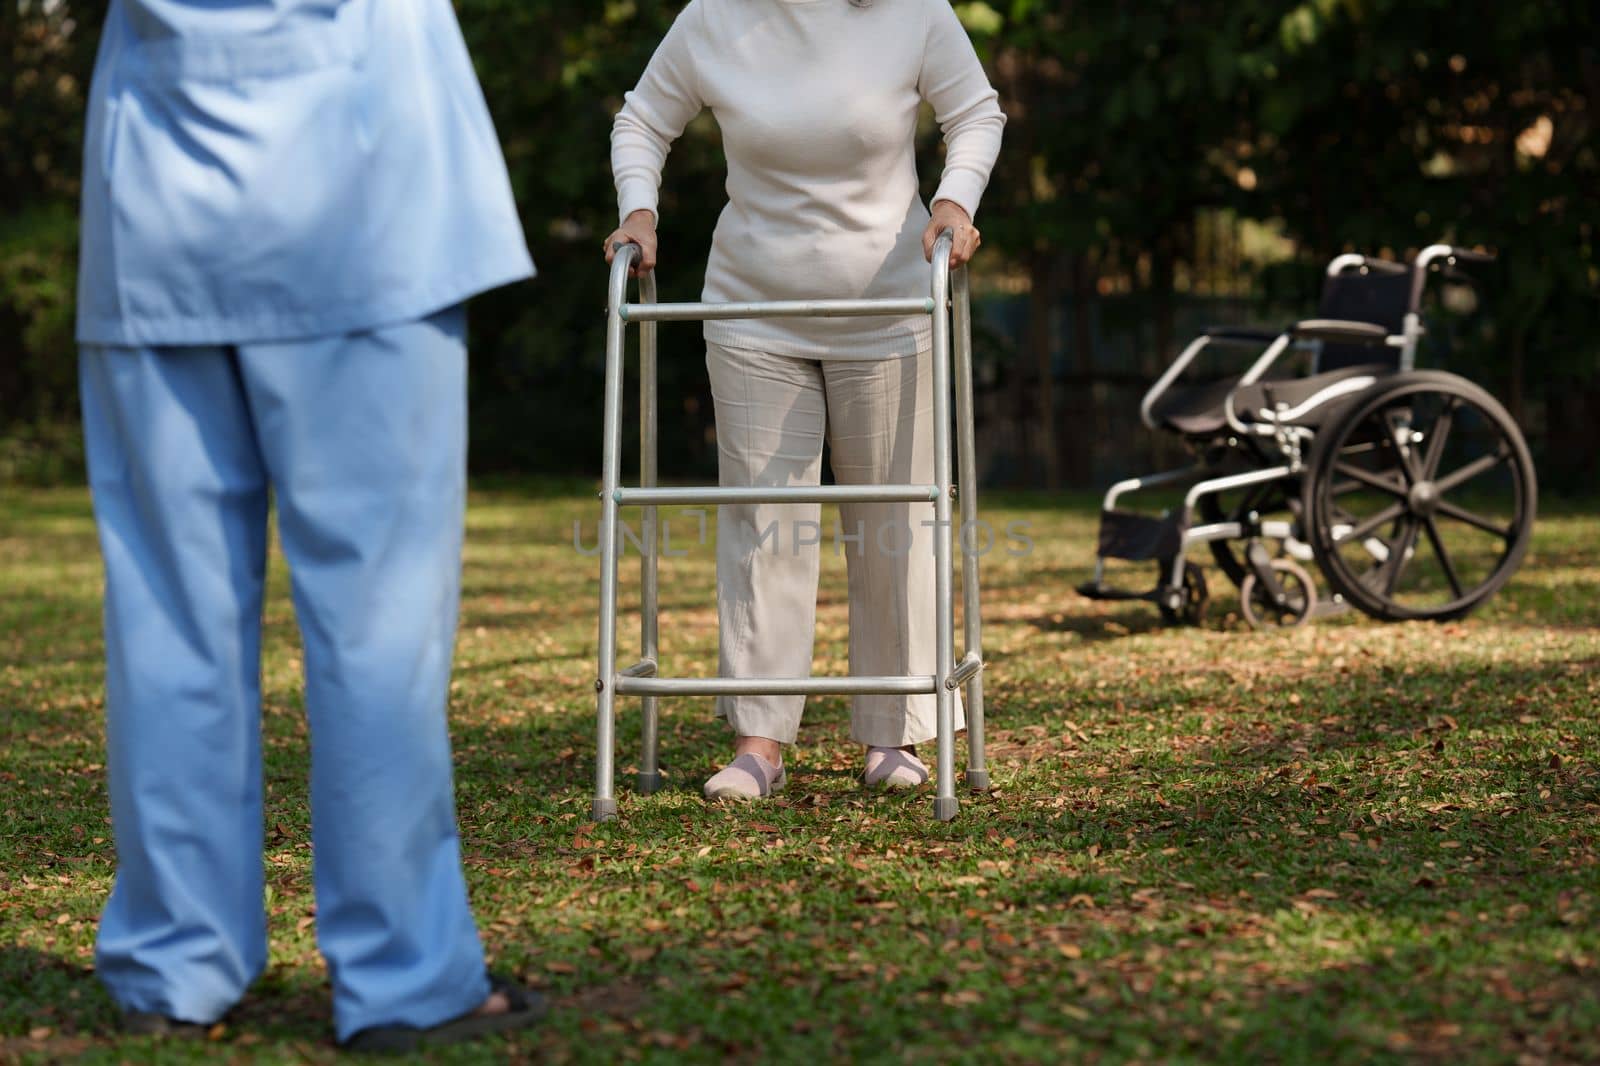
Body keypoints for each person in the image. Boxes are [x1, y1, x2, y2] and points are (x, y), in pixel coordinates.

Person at [76, 0, 543, 1052]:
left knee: (167, 618)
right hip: (364, 197)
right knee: (376, 626)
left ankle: (173, 960)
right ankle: (405, 973)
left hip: (156, 195)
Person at [606, 0, 1004, 800]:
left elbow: (976, 110)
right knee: (764, 523)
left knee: (895, 526)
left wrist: (955, 200)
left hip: (889, 311)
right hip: (752, 310)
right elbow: (641, 120)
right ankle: (758, 744)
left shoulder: (911, 11)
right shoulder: (713, 17)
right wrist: (639, 213)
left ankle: (893, 736)